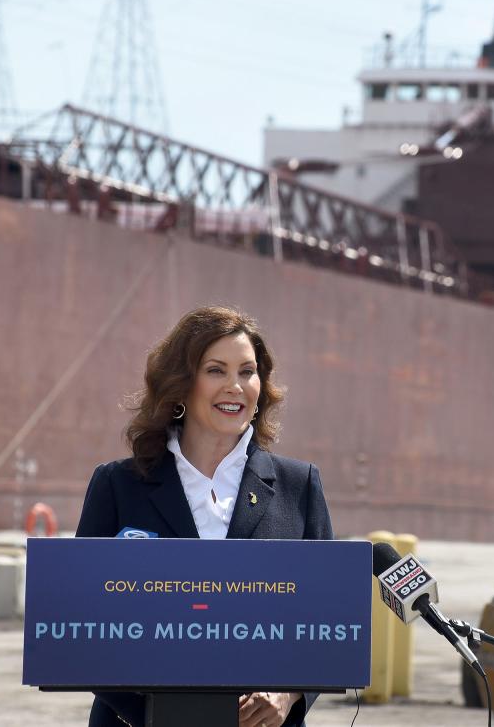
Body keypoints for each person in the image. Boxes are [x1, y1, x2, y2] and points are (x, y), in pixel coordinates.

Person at [76, 305, 333, 727]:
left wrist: (289, 693)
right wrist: (168, 713)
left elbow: (327, 619)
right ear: (181, 383)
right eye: (216, 370)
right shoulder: (117, 486)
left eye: (247, 372)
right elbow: (84, 621)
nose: (235, 386)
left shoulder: (298, 485)